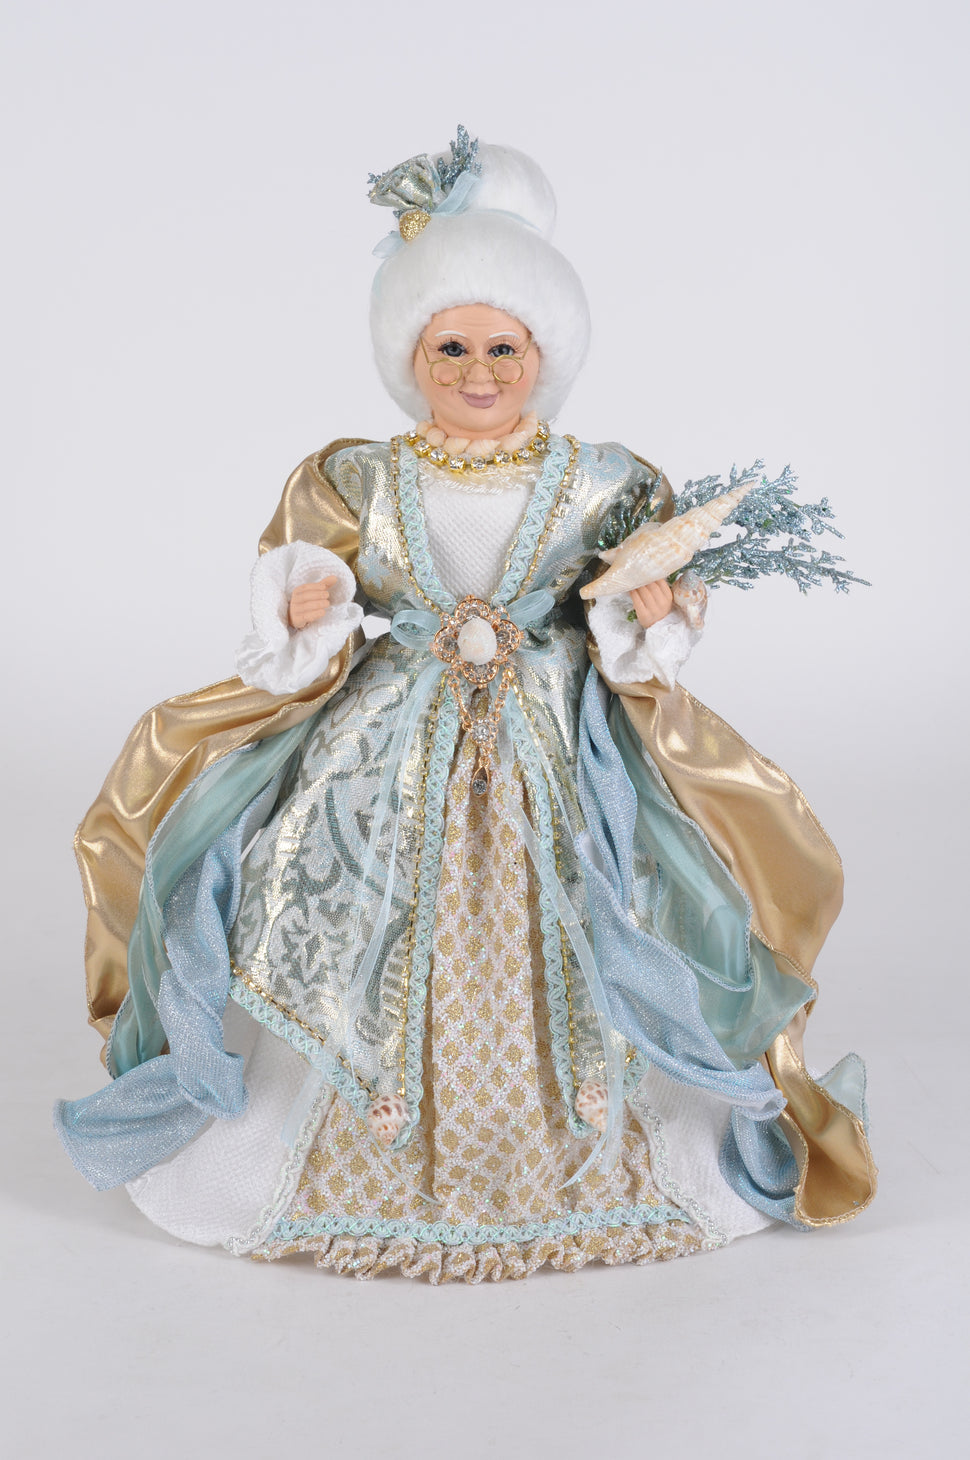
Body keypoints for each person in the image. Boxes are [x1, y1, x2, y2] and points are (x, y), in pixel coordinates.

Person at [56, 132, 875, 1282]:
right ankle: (320, 1139)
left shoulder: (605, 482)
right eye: (451, 346)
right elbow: (310, 600)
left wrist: (650, 611)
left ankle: (610, 1142)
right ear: (411, 353)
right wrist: (307, 603)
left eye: (503, 347)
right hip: (387, 752)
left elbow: (630, 622)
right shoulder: (357, 478)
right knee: (333, 908)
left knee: (601, 906)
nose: (477, 371)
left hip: (553, 744)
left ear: (544, 353)